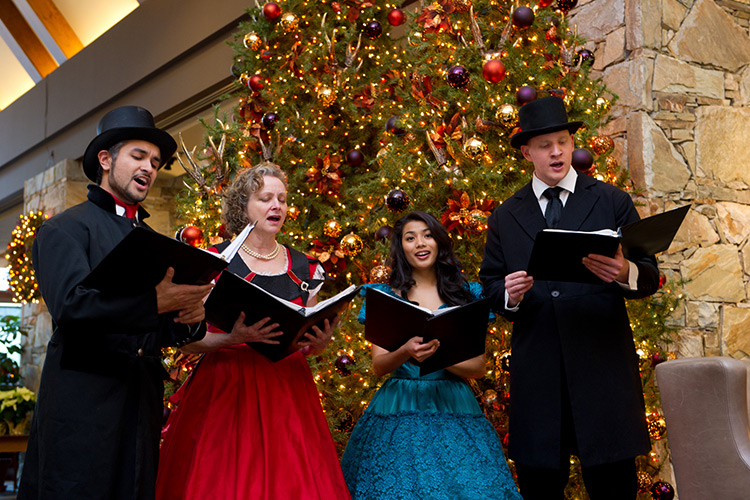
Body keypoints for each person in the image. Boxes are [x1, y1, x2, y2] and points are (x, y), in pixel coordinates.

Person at [18, 106, 212, 500]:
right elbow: (72, 307)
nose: (150, 168)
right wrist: (153, 302)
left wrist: (190, 318)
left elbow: (156, 326)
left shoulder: (151, 238)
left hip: (139, 406)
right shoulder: (63, 229)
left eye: (155, 162)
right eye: (138, 156)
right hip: (83, 409)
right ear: (105, 160)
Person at [478, 96, 661, 500]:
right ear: (527, 152)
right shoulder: (506, 216)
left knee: (614, 488)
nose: (557, 151)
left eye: (562, 140)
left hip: (603, 372)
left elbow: (649, 273)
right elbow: (491, 283)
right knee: (540, 487)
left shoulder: (612, 201)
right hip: (538, 379)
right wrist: (508, 295)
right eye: (545, 145)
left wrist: (624, 271)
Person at [155, 163, 351, 500]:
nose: (277, 205)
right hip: (225, 386)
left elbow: (304, 336)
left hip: (288, 390)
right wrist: (233, 338)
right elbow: (187, 342)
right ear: (242, 206)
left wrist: (317, 344)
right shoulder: (213, 259)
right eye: (265, 198)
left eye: (282, 199)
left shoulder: (307, 267)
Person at [341, 211, 522, 500]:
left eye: (427, 235)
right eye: (410, 238)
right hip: (397, 405)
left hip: (454, 403)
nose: (420, 243)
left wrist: (440, 354)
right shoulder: (386, 295)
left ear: (438, 242)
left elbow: (478, 367)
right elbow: (378, 365)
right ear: (401, 248)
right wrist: (405, 351)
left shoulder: (467, 295)